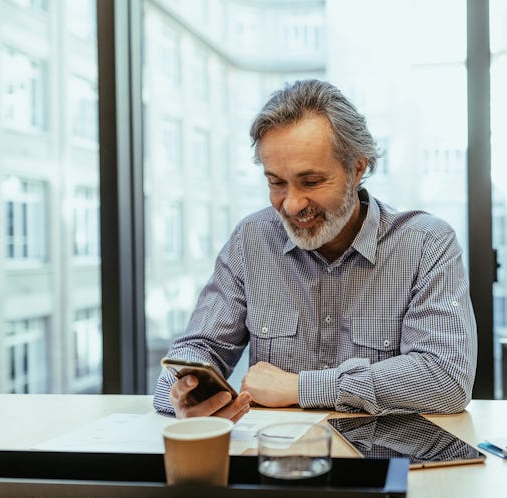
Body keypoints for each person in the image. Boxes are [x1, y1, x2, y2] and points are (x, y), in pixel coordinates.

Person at [153, 79, 477, 419]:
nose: (291, 205)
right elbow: (198, 349)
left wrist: (299, 387)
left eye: (311, 182)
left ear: (356, 169)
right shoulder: (251, 239)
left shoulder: (426, 243)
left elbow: (446, 378)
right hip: (275, 459)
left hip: (378, 462)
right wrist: (186, 394)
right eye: (276, 182)